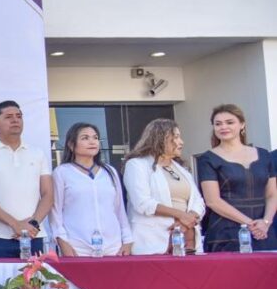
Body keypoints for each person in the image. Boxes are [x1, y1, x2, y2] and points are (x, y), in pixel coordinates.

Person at [0, 100, 53, 258]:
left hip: (33, 235)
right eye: (8, 117)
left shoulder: (37, 153)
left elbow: (48, 194)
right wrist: (15, 224)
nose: (15, 120)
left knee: (35, 283)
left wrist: (32, 224)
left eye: (19, 116)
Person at [196, 104, 276, 252]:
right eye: (218, 124)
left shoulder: (264, 155)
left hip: (264, 232)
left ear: (242, 124)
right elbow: (213, 201)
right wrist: (251, 224)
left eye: (229, 122)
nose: (223, 127)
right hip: (225, 233)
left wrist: (266, 221)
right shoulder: (207, 159)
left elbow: (272, 194)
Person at [123, 118, 205, 255]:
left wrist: (187, 220)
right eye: (176, 137)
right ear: (161, 138)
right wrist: (181, 215)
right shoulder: (136, 165)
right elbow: (142, 203)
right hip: (154, 242)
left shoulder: (182, 169)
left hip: (188, 242)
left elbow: (198, 201)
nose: (181, 142)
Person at [50, 123, 132, 256]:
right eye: (85, 138)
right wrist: (62, 241)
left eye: (95, 137)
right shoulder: (62, 172)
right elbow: (55, 212)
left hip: (113, 247)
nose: (92, 141)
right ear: (71, 145)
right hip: (77, 247)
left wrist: (127, 240)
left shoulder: (109, 171)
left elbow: (119, 209)